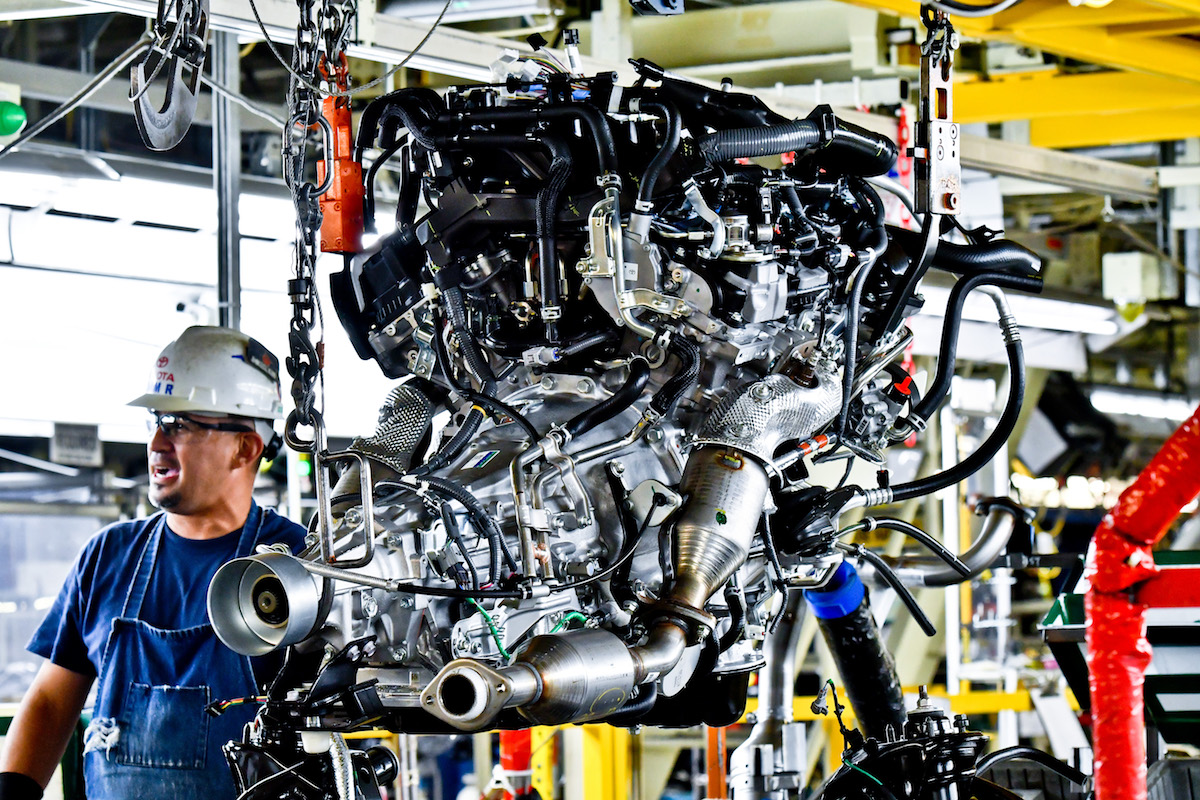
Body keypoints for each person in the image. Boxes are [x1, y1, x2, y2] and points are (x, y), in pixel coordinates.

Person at [0, 326, 309, 800]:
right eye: (156, 421)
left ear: (244, 447)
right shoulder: (108, 556)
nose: (156, 443)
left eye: (181, 424)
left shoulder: (301, 566)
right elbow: (49, 700)